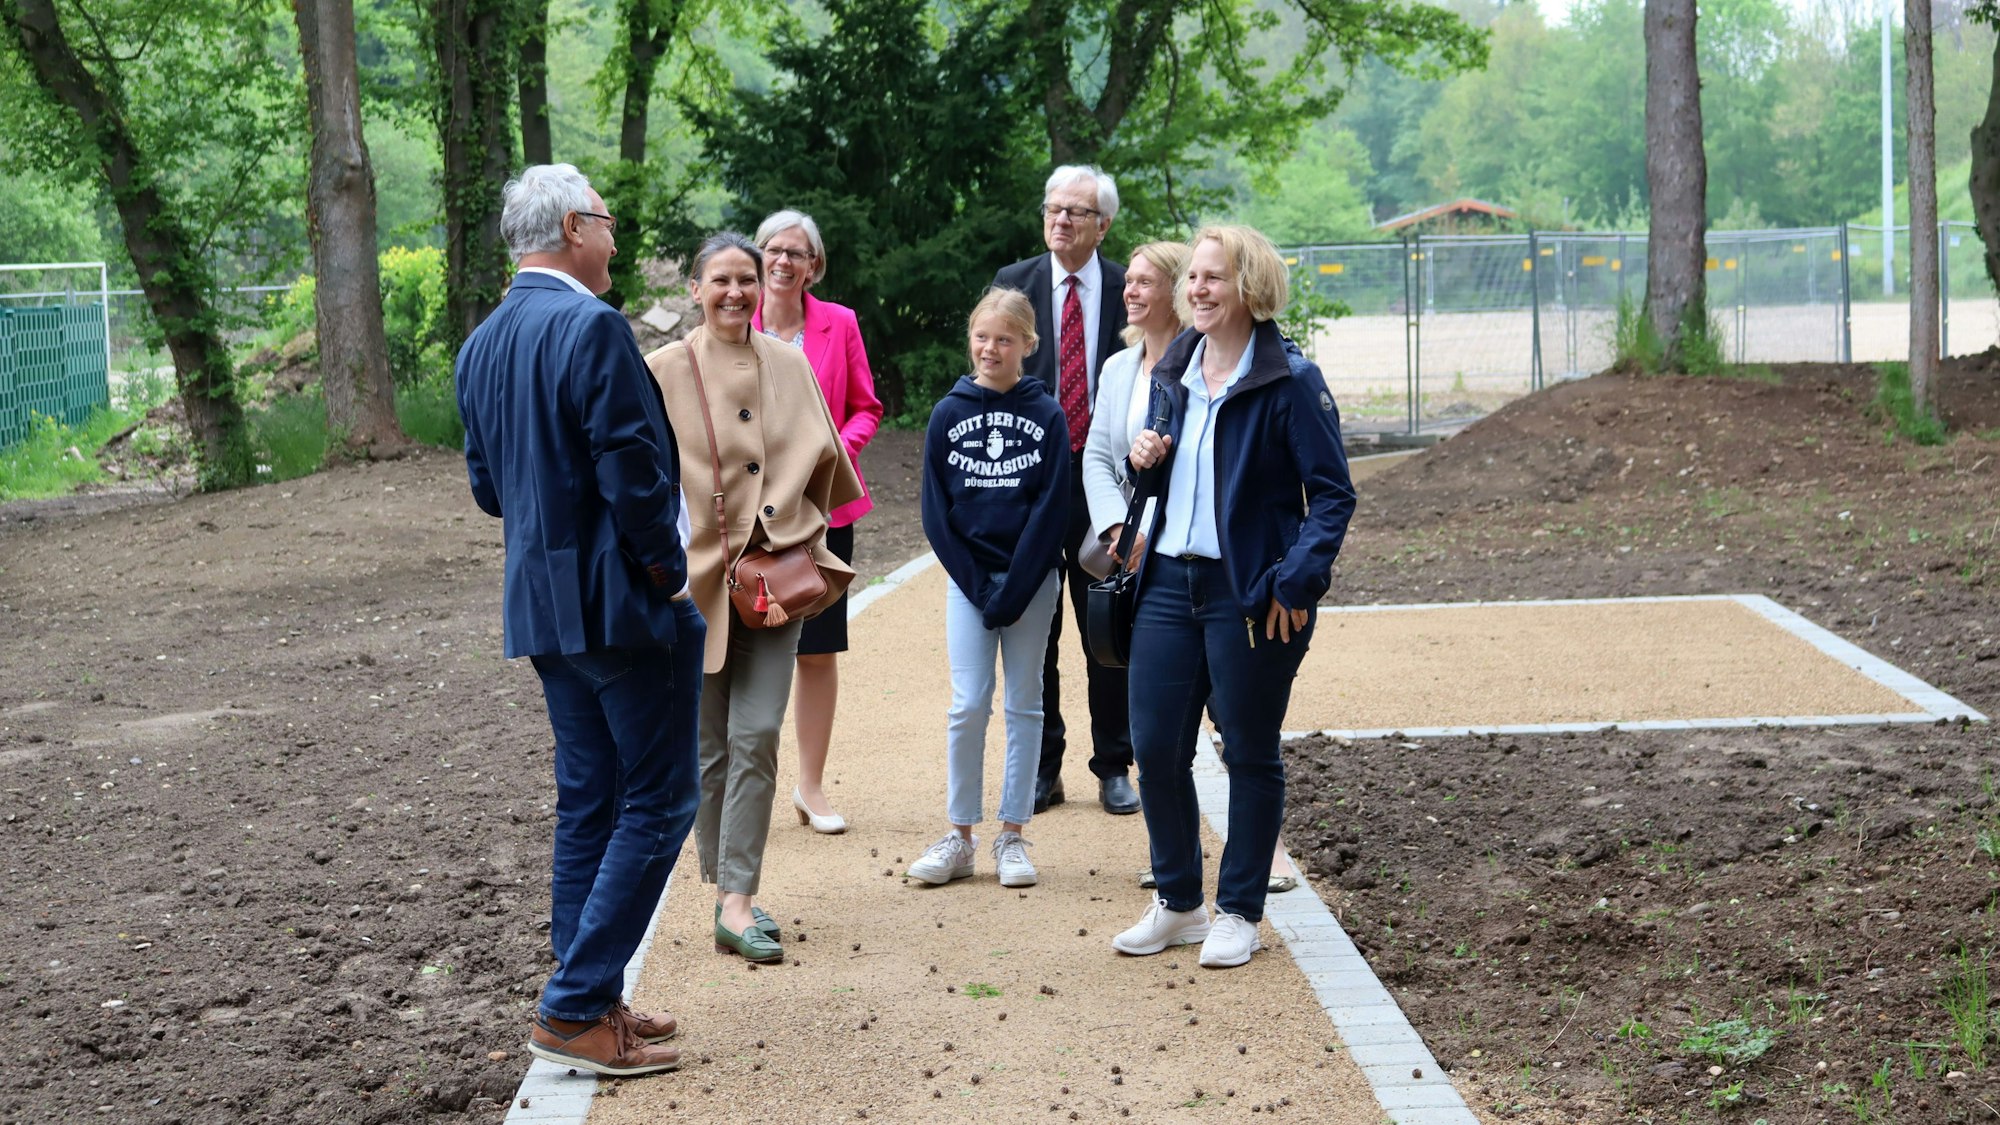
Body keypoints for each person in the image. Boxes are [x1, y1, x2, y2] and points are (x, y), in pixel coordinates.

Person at [455, 163, 699, 1076]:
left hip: (543, 607)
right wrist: (668, 571)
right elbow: (633, 469)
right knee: (663, 797)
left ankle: (590, 998)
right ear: (570, 227)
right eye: (605, 221)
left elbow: (488, 489)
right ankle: (573, 1005)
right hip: (625, 604)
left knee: (590, 801)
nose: (615, 237)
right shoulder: (592, 326)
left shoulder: (479, 345)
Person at [1108, 225, 1356, 969]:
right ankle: (1180, 902)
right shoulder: (1174, 367)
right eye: (1194, 279)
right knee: (1154, 747)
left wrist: (1295, 579)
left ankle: (1240, 909)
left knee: (1249, 751)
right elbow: (1171, 478)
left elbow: (1333, 496)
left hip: (1248, 591)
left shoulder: (1290, 380)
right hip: (1164, 584)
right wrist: (1144, 459)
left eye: (1214, 278)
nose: (1198, 290)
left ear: (1249, 287)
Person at [645, 232, 862, 964]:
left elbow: (822, 462)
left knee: (757, 732)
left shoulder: (791, 363)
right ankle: (721, 883)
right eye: (720, 280)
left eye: (745, 278)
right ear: (696, 291)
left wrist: (776, 548)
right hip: (691, 584)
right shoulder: (661, 370)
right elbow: (640, 479)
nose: (735, 292)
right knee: (707, 746)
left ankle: (738, 896)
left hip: (771, 581)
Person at [909, 287, 1070, 888]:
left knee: (1025, 704)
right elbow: (935, 510)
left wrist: (1017, 587)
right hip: (969, 582)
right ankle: (959, 835)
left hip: (1032, 583)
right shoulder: (949, 413)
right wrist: (978, 585)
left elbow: (1052, 508)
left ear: (1027, 345)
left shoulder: (1046, 414)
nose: (990, 348)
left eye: (1005, 339)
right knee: (968, 704)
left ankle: (1012, 836)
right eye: (982, 336)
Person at [991, 164, 1136, 817]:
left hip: (1104, 481)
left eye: (1076, 211)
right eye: (1053, 208)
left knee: (1107, 626)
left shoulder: (1126, 287)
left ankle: (1114, 764)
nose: (1061, 220)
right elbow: (992, 375)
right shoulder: (1013, 284)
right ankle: (1044, 767)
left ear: (1101, 223)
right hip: (1029, 487)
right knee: (1035, 628)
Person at [750, 209, 884, 836]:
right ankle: (745, 785)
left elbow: (866, 408)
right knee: (747, 643)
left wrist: (836, 451)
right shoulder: (731, 317)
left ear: (814, 265)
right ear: (758, 256)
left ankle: (810, 786)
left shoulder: (841, 325)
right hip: (750, 515)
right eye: (774, 250)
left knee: (818, 649)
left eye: (796, 253)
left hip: (824, 509)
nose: (783, 262)